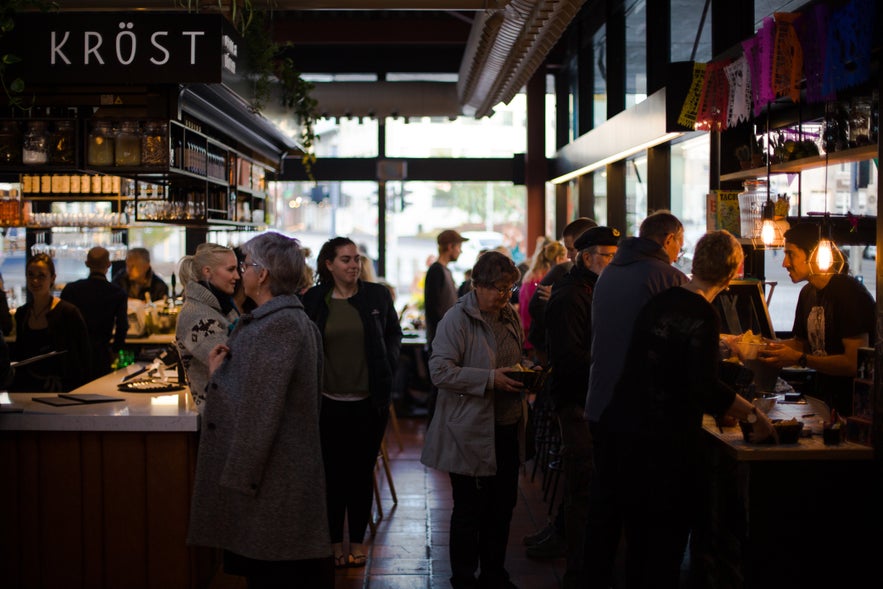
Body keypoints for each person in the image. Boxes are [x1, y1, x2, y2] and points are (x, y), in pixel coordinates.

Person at [604, 230, 775, 588]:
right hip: (662, 446)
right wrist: (754, 416)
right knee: (664, 547)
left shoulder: (663, 300)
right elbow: (704, 385)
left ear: (694, 263)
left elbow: (673, 364)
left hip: (624, 431)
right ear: (731, 274)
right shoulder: (702, 313)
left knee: (640, 546)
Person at [187, 232, 333, 588]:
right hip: (276, 477)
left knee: (273, 576)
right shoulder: (282, 321)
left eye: (247, 264)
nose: (242, 272)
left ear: (263, 275)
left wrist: (219, 375)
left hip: (271, 481)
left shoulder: (277, 326)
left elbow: (259, 408)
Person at [584, 210, 688, 588]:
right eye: (680, 242)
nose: (681, 249)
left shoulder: (611, 272)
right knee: (643, 518)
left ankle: (591, 580)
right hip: (638, 413)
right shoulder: (668, 278)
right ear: (669, 239)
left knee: (605, 509)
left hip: (599, 404)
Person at [420, 251, 529, 589]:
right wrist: (489, 379)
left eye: (509, 288)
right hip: (469, 429)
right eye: (497, 288)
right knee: (469, 509)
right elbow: (439, 371)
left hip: (507, 424)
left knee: (503, 506)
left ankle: (495, 572)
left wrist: (526, 373)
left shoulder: (509, 314)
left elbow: (513, 356)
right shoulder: (457, 318)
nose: (504, 295)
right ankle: (464, 577)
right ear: (477, 284)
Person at [302, 236, 402, 569]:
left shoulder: (376, 295)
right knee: (331, 475)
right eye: (345, 259)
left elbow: (393, 333)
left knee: (360, 474)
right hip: (326, 402)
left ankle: (356, 542)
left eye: (356, 259)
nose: (354, 265)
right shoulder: (315, 299)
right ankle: (332, 542)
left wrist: (387, 362)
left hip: (368, 402)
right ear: (328, 265)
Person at [543, 226, 619, 588]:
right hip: (576, 403)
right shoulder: (572, 296)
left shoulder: (597, 289)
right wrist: (611, 363)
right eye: (607, 255)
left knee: (592, 488)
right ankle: (579, 573)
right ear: (586, 257)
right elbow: (570, 358)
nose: (613, 261)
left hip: (593, 401)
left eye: (615, 255)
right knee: (583, 489)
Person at [758, 223, 875, 416]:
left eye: (791, 254)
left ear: (813, 255)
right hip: (825, 402)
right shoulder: (807, 293)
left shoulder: (849, 293)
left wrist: (801, 359)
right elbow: (801, 344)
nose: (784, 263)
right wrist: (761, 346)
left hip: (856, 406)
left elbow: (853, 362)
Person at [174, 243, 240, 414]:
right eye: (231, 270)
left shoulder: (220, 306)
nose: (237, 276)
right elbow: (230, 365)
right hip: (216, 413)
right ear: (207, 271)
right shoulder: (196, 315)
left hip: (225, 407)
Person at [11, 253, 91, 392]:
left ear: (52, 278)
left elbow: (83, 355)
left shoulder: (68, 312)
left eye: (41, 275)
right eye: (30, 274)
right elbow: (20, 355)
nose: (35, 280)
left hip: (61, 388)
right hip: (27, 387)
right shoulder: (22, 313)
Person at [525, 217, 596, 357]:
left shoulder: (597, 274)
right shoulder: (564, 271)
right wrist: (559, 303)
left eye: (571, 250)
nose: (568, 256)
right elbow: (534, 306)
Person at [60, 246, 128, 380]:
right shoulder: (117, 293)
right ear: (109, 265)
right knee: (100, 395)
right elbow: (122, 327)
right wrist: (114, 351)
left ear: (86, 264)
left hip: (74, 354)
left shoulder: (71, 290)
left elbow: (61, 323)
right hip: (101, 354)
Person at [518, 240, 566, 360]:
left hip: (526, 334)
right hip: (538, 337)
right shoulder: (548, 280)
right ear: (559, 259)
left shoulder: (530, 275)